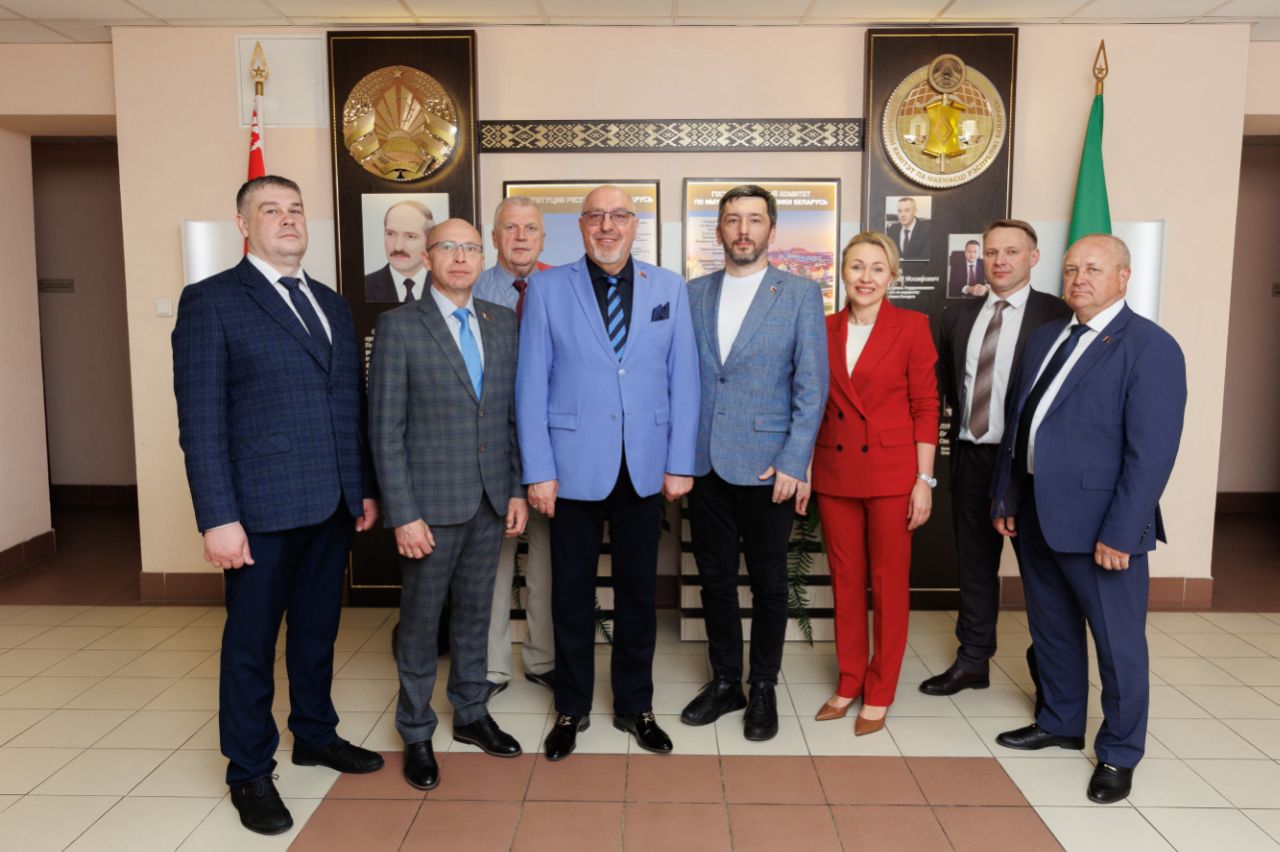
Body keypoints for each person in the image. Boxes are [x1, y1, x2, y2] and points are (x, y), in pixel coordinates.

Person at [172, 175, 384, 835]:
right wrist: (217, 517)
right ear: (244, 225)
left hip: (332, 505)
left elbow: (348, 405)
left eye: (295, 209)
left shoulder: (331, 303)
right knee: (251, 645)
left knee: (317, 633)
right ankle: (249, 771)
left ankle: (314, 733)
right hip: (257, 511)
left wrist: (361, 487)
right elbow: (200, 421)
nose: (288, 220)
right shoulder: (212, 301)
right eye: (271, 210)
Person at [991, 234, 1186, 804]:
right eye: (1072, 268)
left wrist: (1122, 532)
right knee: (1051, 628)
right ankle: (1059, 721)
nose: (1079, 278)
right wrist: (1007, 496)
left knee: (1118, 646)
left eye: (1094, 269)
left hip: (1103, 527)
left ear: (1124, 277)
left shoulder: (1150, 346)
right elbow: (1021, 423)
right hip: (1036, 512)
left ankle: (1119, 752)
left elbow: (1152, 453)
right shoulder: (1048, 336)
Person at [516, 184, 699, 760]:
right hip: (571, 468)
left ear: (634, 224)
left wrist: (680, 461)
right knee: (570, 594)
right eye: (595, 216)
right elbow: (531, 384)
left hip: (644, 466)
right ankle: (571, 707)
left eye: (619, 215)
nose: (607, 226)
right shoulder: (548, 288)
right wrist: (538, 470)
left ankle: (634, 705)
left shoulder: (668, 287)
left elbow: (685, 378)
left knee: (637, 595)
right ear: (581, 225)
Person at [368, 218, 528, 791]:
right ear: (428, 258)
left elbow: (509, 416)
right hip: (429, 508)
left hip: (490, 498)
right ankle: (415, 730)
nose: (460, 257)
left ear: (483, 258)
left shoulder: (503, 323)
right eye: (448, 248)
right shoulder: (398, 327)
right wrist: (403, 513)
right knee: (420, 621)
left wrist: (516, 489)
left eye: (470, 248)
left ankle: (470, 712)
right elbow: (385, 429)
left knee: (476, 614)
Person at [680, 185, 827, 741]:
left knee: (768, 583)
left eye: (755, 219)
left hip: (770, 467)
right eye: (733, 219)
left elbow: (811, 387)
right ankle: (726, 682)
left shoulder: (799, 294)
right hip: (704, 463)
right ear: (719, 229)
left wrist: (795, 459)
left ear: (772, 229)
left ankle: (762, 685)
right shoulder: (693, 293)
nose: (743, 230)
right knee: (714, 580)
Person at [921, 220, 1070, 700]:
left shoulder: (1058, 315)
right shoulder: (956, 317)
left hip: (1029, 465)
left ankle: (1052, 678)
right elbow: (948, 390)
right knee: (974, 566)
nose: (1000, 260)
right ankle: (973, 660)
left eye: (1011, 251)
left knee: (1041, 574)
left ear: (1033, 258)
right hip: (972, 457)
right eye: (991, 252)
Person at [811, 231, 938, 735]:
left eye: (877, 268)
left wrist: (923, 479)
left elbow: (925, 407)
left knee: (887, 586)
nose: (866, 277)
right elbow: (809, 402)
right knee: (845, 584)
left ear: (893, 276)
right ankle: (849, 681)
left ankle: (880, 690)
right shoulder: (822, 328)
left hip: (891, 474)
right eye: (857, 267)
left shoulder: (912, 326)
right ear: (842, 272)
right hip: (835, 471)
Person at [474, 196, 556, 698]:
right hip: (493, 449)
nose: (521, 237)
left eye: (530, 229)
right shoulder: (471, 289)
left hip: (551, 450)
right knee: (493, 562)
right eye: (511, 228)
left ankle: (543, 660)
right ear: (494, 237)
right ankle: (490, 668)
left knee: (548, 562)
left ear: (543, 238)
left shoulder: (564, 287)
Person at [365, 200, 435, 303]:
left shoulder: (447, 284)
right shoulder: (365, 286)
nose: (398, 247)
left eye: (410, 236)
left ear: (429, 240)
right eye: (391, 234)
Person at [885, 197, 931, 261]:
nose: (902, 215)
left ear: (914, 211)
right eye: (900, 211)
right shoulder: (892, 229)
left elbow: (926, 257)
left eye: (907, 210)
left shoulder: (927, 229)